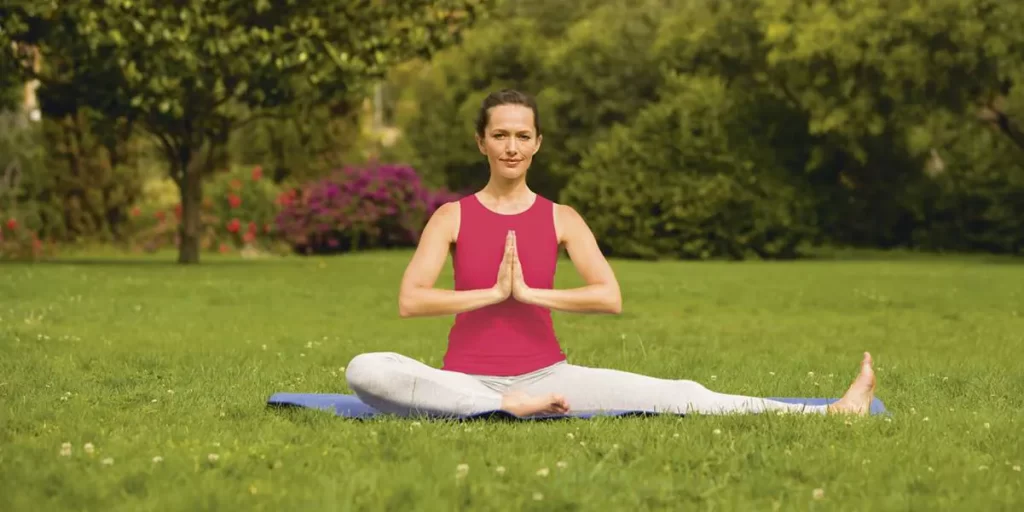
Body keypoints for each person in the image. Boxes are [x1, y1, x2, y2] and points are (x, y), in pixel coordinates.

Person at [344, 89, 876, 418]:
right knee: (366, 369)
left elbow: (609, 296)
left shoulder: (562, 218)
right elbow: (411, 300)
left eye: (522, 136)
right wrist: (492, 294)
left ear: (537, 143)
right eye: (500, 135)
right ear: (480, 142)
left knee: (679, 391)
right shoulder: (452, 216)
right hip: (463, 379)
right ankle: (501, 408)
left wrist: (530, 294)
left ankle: (832, 412)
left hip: (547, 376)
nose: (511, 147)